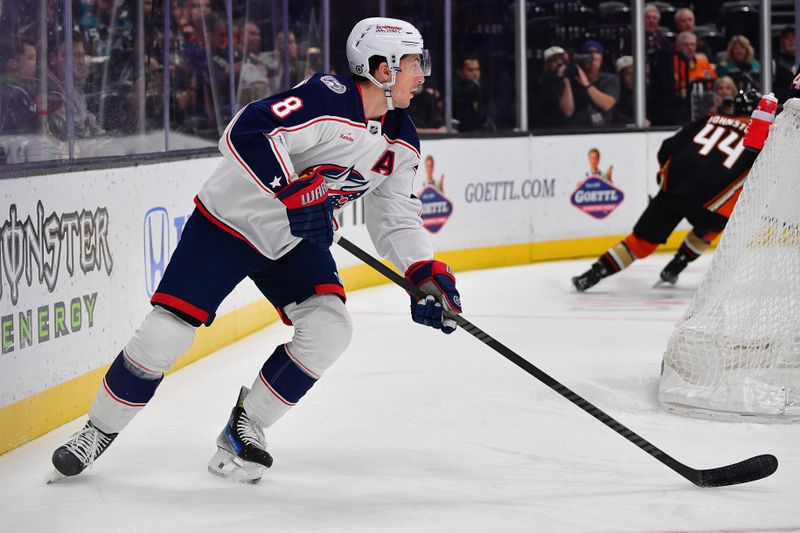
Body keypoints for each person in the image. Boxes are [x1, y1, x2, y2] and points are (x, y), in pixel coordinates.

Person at [49, 17, 463, 485]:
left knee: (329, 327)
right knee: (166, 333)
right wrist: (289, 191)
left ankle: (246, 427)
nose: (423, 74)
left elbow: (396, 215)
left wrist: (424, 272)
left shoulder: (402, 139)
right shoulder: (327, 98)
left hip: (292, 239)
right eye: (414, 62)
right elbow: (246, 130)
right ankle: (97, 430)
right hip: (229, 222)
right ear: (382, 68)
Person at [571, 90, 767, 292]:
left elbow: (666, 148)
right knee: (712, 226)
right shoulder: (762, 139)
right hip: (713, 203)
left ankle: (592, 275)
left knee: (640, 242)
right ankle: (676, 266)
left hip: (674, 189)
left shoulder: (708, 119)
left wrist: (665, 179)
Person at [565, 40, 619, 127]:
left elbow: (607, 105)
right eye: (589, 59)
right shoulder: (572, 79)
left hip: (603, 131)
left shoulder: (610, 79)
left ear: (601, 60)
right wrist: (566, 78)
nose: (593, 62)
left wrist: (587, 85)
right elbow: (567, 111)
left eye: (597, 59)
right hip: (576, 130)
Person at [0, 36, 39, 134]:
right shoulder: (8, 94)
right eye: (31, 58)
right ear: (12, 64)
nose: (36, 64)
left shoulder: (24, 90)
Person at [644, 4, 675, 125]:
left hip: (658, 87)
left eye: (654, 18)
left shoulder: (664, 42)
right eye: (647, 17)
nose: (651, 21)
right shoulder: (632, 39)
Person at [531, 45, 573, 128]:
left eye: (561, 59)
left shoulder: (572, 78)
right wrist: (563, 79)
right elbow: (567, 111)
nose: (559, 63)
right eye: (554, 60)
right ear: (546, 65)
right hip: (550, 129)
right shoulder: (544, 83)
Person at [453, 54, 491, 131]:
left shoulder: (486, 89)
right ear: (460, 72)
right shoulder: (454, 91)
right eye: (470, 70)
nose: (475, 73)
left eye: (477, 69)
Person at [773, 27, 795, 102]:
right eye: (788, 37)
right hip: (780, 107)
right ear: (781, 41)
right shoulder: (773, 61)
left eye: (794, 37)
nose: (791, 40)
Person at [612, 55, 634, 125]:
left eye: (634, 72)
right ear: (620, 76)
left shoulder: (645, 92)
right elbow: (615, 114)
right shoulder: (616, 93)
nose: (632, 76)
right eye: (628, 73)